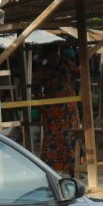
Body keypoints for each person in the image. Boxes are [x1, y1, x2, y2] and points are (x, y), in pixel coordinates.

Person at [32, 44, 80, 176]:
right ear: (48, 56)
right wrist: (43, 103)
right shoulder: (42, 71)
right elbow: (35, 88)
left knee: (70, 137)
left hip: (69, 111)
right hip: (52, 112)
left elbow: (79, 73)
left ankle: (72, 169)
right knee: (52, 139)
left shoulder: (67, 65)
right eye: (53, 55)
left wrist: (70, 86)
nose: (56, 57)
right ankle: (49, 170)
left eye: (58, 54)